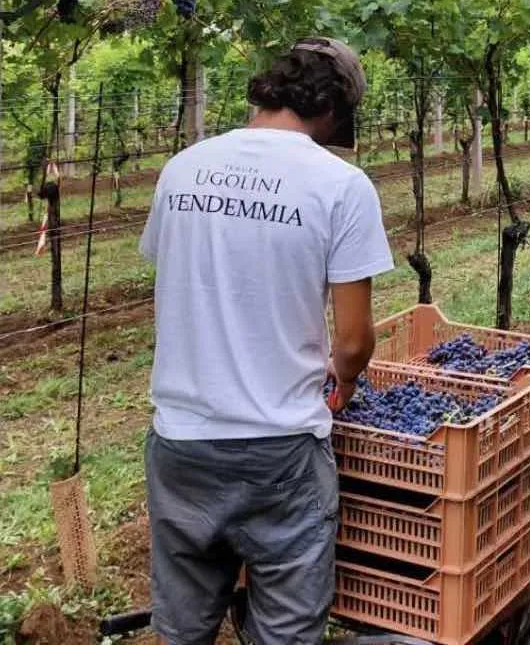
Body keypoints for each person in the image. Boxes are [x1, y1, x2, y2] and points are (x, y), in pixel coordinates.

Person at [138, 37, 395, 645]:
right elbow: (353, 340)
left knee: (181, 629)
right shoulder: (341, 185)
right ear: (331, 110)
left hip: (181, 443)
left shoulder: (183, 168)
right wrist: (344, 379)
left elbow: (177, 273)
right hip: (279, 449)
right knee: (285, 631)